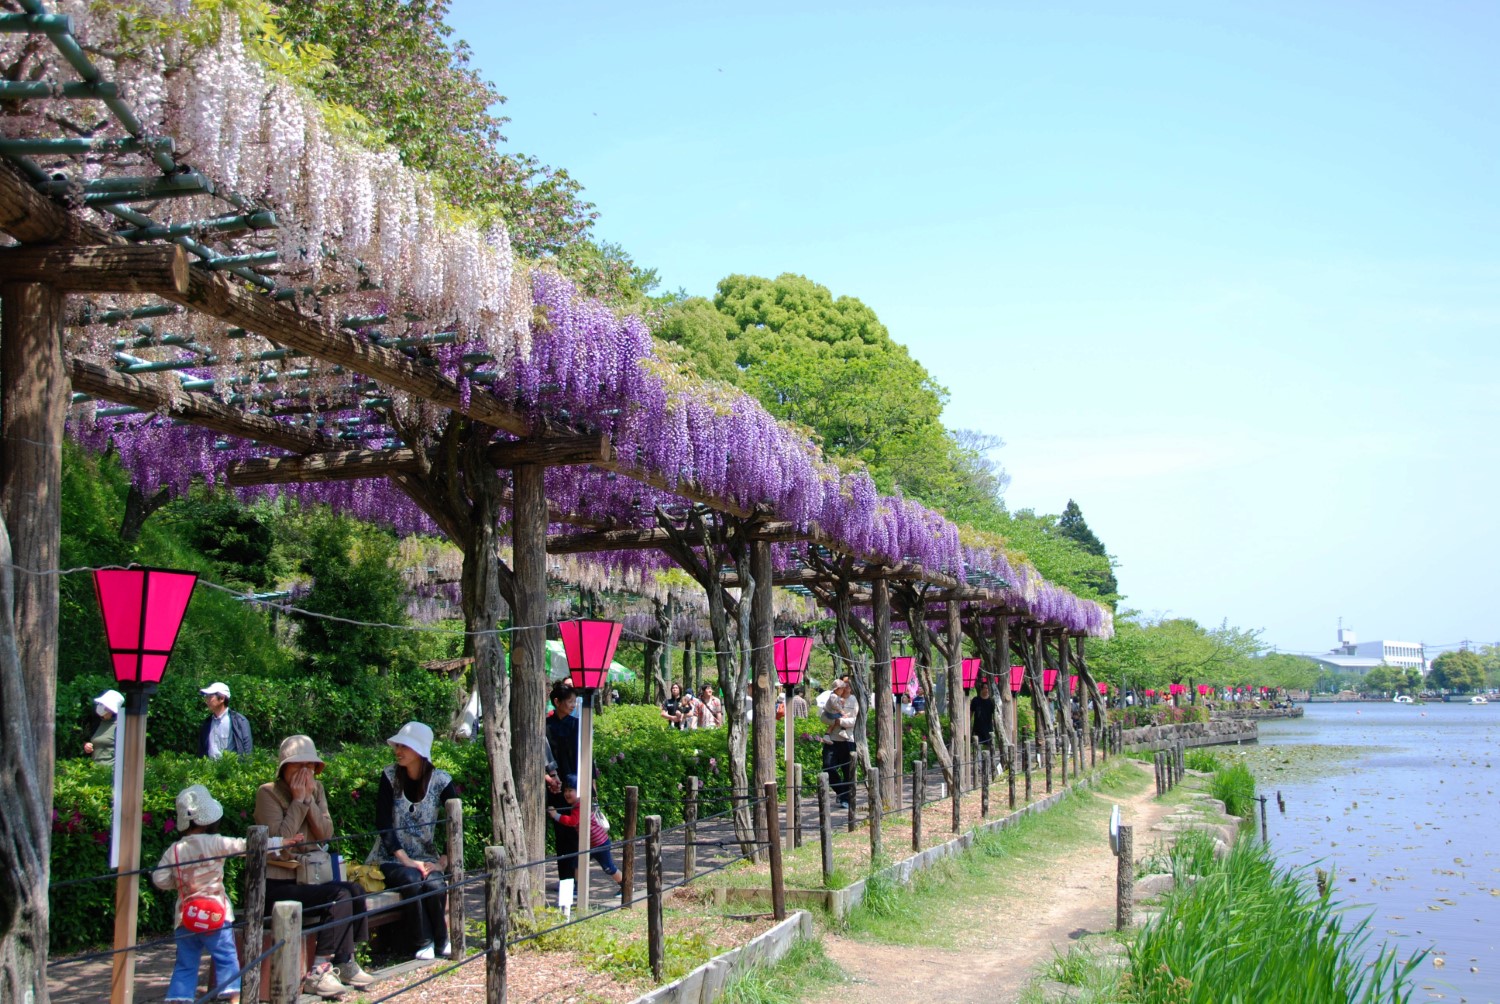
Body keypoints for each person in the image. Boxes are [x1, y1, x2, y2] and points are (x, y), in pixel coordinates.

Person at [153, 784, 295, 1004]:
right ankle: (233, 999)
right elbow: (247, 845)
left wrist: (180, 883)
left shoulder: (175, 850)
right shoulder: (215, 842)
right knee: (226, 958)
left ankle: (180, 999)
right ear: (208, 819)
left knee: (185, 963)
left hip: (185, 916)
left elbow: (159, 879)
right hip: (215, 913)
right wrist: (280, 842)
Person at [255, 735, 373, 996]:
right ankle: (318, 969)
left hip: (312, 879)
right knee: (338, 895)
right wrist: (297, 802)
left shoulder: (316, 790)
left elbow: (325, 834)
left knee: (354, 890)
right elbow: (281, 844)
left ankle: (346, 961)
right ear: (284, 767)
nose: (304, 772)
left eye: (310, 766)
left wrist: (308, 801)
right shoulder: (267, 793)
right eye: (297, 766)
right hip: (280, 884)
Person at [368, 722, 458, 961]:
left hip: (427, 857)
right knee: (410, 879)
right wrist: (405, 859)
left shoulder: (440, 780)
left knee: (435, 884)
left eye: (405, 746)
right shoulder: (389, 776)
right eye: (398, 745)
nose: (398, 750)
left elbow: (456, 824)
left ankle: (442, 939)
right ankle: (424, 941)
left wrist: (443, 860)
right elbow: (383, 823)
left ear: (420, 751)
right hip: (391, 857)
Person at [547, 774, 623, 895]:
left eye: (570, 790)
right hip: (589, 843)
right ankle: (577, 888)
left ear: (579, 791)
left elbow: (573, 821)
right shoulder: (577, 804)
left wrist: (556, 815)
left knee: (608, 867)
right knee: (578, 863)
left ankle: (625, 885)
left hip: (599, 843)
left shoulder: (580, 805)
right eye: (565, 790)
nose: (567, 793)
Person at [546, 681, 582, 887]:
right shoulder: (545, 725)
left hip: (573, 785)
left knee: (574, 831)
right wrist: (549, 779)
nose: (573, 705)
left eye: (574, 701)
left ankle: (575, 879)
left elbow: (586, 755)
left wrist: (590, 784)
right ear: (557, 702)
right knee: (561, 833)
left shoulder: (576, 725)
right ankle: (565, 881)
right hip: (552, 786)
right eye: (569, 701)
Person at [820, 677, 858, 808]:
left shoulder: (854, 700)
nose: (846, 685)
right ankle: (842, 793)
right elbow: (823, 717)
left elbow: (855, 721)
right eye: (843, 683)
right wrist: (834, 721)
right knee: (828, 767)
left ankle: (846, 798)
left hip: (847, 739)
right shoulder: (833, 697)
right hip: (832, 740)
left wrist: (840, 722)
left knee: (848, 771)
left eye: (848, 683)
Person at [197, 682, 252, 758]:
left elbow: (247, 750)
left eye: (210, 697)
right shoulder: (207, 723)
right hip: (209, 768)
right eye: (206, 697)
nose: (207, 700)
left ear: (222, 698)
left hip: (231, 768)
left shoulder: (239, 721)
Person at [85, 689, 123, 765]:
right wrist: (87, 746)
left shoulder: (119, 725)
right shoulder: (98, 722)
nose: (99, 707)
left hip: (110, 772)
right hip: (96, 770)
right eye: (100, 704)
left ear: (111, 709)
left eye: (103, 705)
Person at [971, 681, 996, 752]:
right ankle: (977, 761)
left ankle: (989, 761)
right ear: (981, 689)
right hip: (977, 727)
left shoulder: (991, 701)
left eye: (988, 688)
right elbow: (971, 713)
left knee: (989, 746)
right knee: (977, 745)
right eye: (985, 688)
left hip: (988, 727)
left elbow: (994, 715)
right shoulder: (975, 700)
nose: (987, 690)